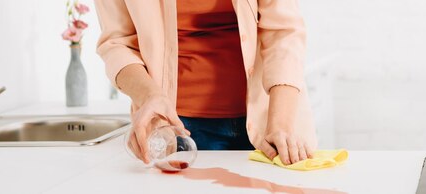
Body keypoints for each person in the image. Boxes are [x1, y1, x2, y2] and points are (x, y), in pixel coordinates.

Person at [95, 0, 317, 165]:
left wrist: (281, 123)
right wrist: (149, 96)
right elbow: (117, 44)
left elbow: (283, 32)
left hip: (269, 120)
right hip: (177, 127)